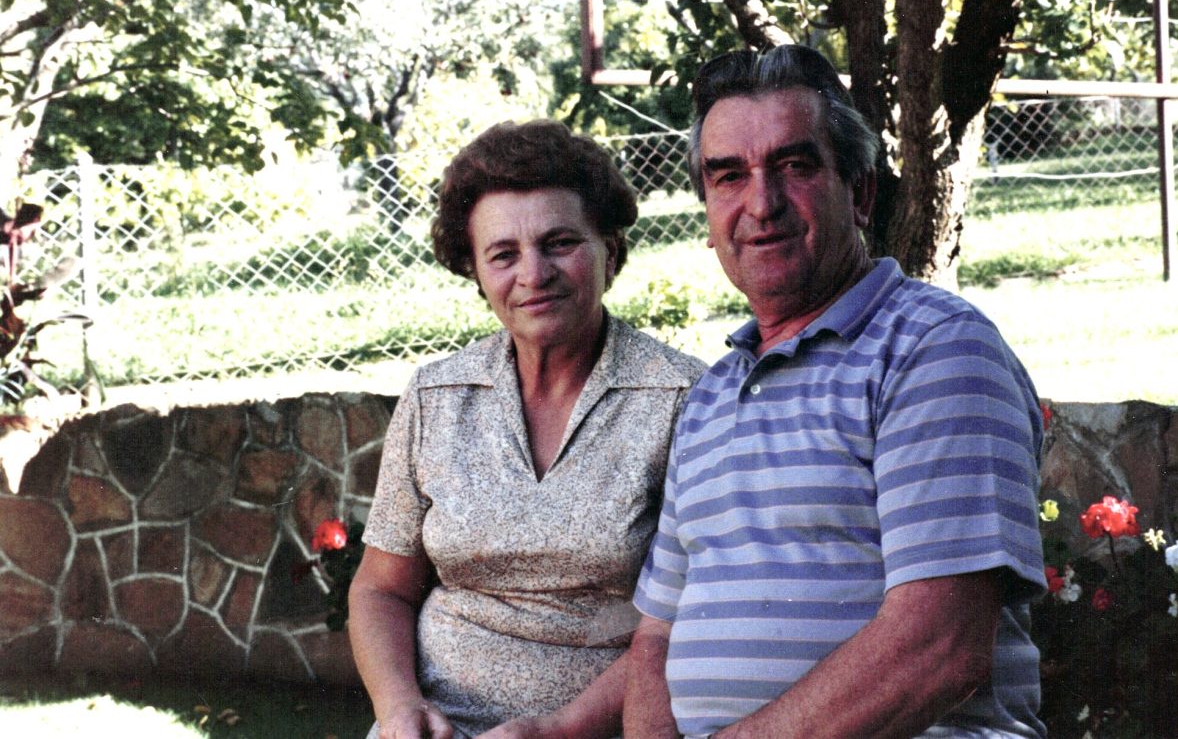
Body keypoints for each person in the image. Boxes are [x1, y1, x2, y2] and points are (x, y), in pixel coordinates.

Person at [624, 45, 1047, 738]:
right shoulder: (709, 397)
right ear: (707, 213)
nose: (761, 204)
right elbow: (654, 643)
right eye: (729, 177)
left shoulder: (935, 350)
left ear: (861, 192)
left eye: (794, 166)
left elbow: (938, 650)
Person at [349, 119, 708, 739]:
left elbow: (695, 620)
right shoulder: (438, 397)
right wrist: (398, 708)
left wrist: (557, 729)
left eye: (560, 242)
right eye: (504, 254)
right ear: (476, 272)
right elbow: (381, 589)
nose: (533, 273)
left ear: (610, 249)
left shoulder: (683, 400)